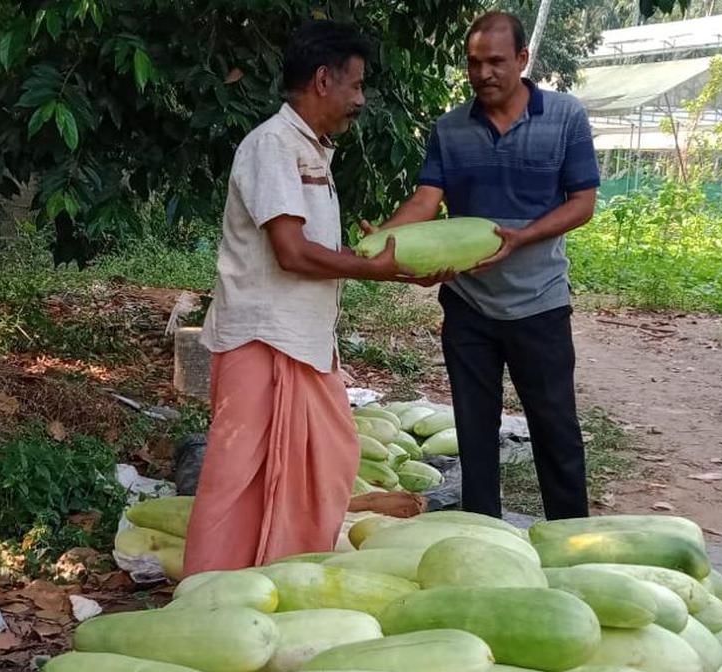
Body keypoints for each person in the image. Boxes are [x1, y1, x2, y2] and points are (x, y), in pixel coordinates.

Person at [183, 20, 446, 575]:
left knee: (325, 462)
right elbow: (292, 253)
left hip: (302, 339)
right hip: (261, 337)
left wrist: (392, 266)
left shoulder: (311, 151)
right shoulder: (273, 145)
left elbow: (319, 252)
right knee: (238, 480)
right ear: (323, 80)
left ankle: (284, 581)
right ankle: (212, 592)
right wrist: (377, 269)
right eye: (356, 85)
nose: (360, 99)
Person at [369, 10, 600, 521]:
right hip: (469, 306)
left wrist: (522, 238)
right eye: (474, 63)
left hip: (540, 302)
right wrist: (385, 237)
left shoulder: (565, 116)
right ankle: (481, 535)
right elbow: (427, 199)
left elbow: (583, 202)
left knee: (555, 427)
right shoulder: (450, 128)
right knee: (474, 432)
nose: (484, 73)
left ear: (522, 59)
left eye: (496, 61)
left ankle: (571, 537)